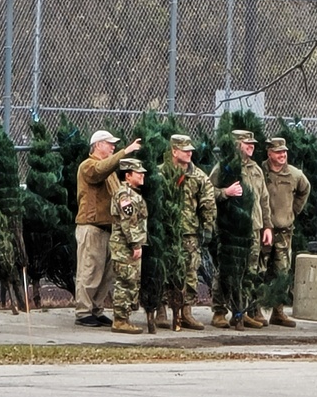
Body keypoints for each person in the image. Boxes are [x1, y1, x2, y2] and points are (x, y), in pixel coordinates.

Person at [74, 130, 141, 327]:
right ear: (97, 145)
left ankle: (96, 309)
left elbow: (119, 194)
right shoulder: (88, 166)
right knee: (89, 270)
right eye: (109, 143)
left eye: (114, 144)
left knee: (105, 274)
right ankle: (83, 311)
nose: (113, 147)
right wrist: (125, 151)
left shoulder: (110, 172)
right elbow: (99, 170)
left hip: (108, 228)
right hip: (91, 226)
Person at [208, 129, 272, 329]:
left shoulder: (255, 169)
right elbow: (208, 192)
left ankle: (241, 312)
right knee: (226, 271)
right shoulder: (225, 168)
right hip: (231, 229)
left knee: (249, 271)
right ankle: (219, 311)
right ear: (237, 145)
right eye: (247, 144)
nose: (251, 147)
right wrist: (225, 193)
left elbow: (264, 199)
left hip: (253, 228)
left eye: (253, 144)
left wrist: (267, 226)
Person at [154, 134, 217, 331]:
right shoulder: (160, 174)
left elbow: (208, 203)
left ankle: (186, 312)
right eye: (185, 150)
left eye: (191, 150)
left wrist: (208, 227)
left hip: (189, 233)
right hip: (165, 231)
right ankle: (161, 310)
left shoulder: (198, 176)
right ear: (174, 151)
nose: (190, 153)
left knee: (190, 272)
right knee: (162, 272)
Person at [260, 137, 311, 327]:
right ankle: (256, 310)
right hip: (263, 230)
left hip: (283, 231)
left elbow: (305, 190)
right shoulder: (261, 172)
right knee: (260, 271)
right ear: (269, 154)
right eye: (278, 152)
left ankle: (278, 312)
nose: (282, 155)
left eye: (284, 152)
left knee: (282, 271)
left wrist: (293, 211)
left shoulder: (294, 175)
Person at [108, 158, 148, 334]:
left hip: (127, 246)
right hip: (124, 246)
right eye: (138, 173)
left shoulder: (132, 194)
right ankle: (120, 320)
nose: (142, 175)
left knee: (131, 280)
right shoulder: (125, 196)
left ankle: (124, 317)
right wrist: (135, 244)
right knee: (125, 281)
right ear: (128, 175)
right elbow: (128, 222)